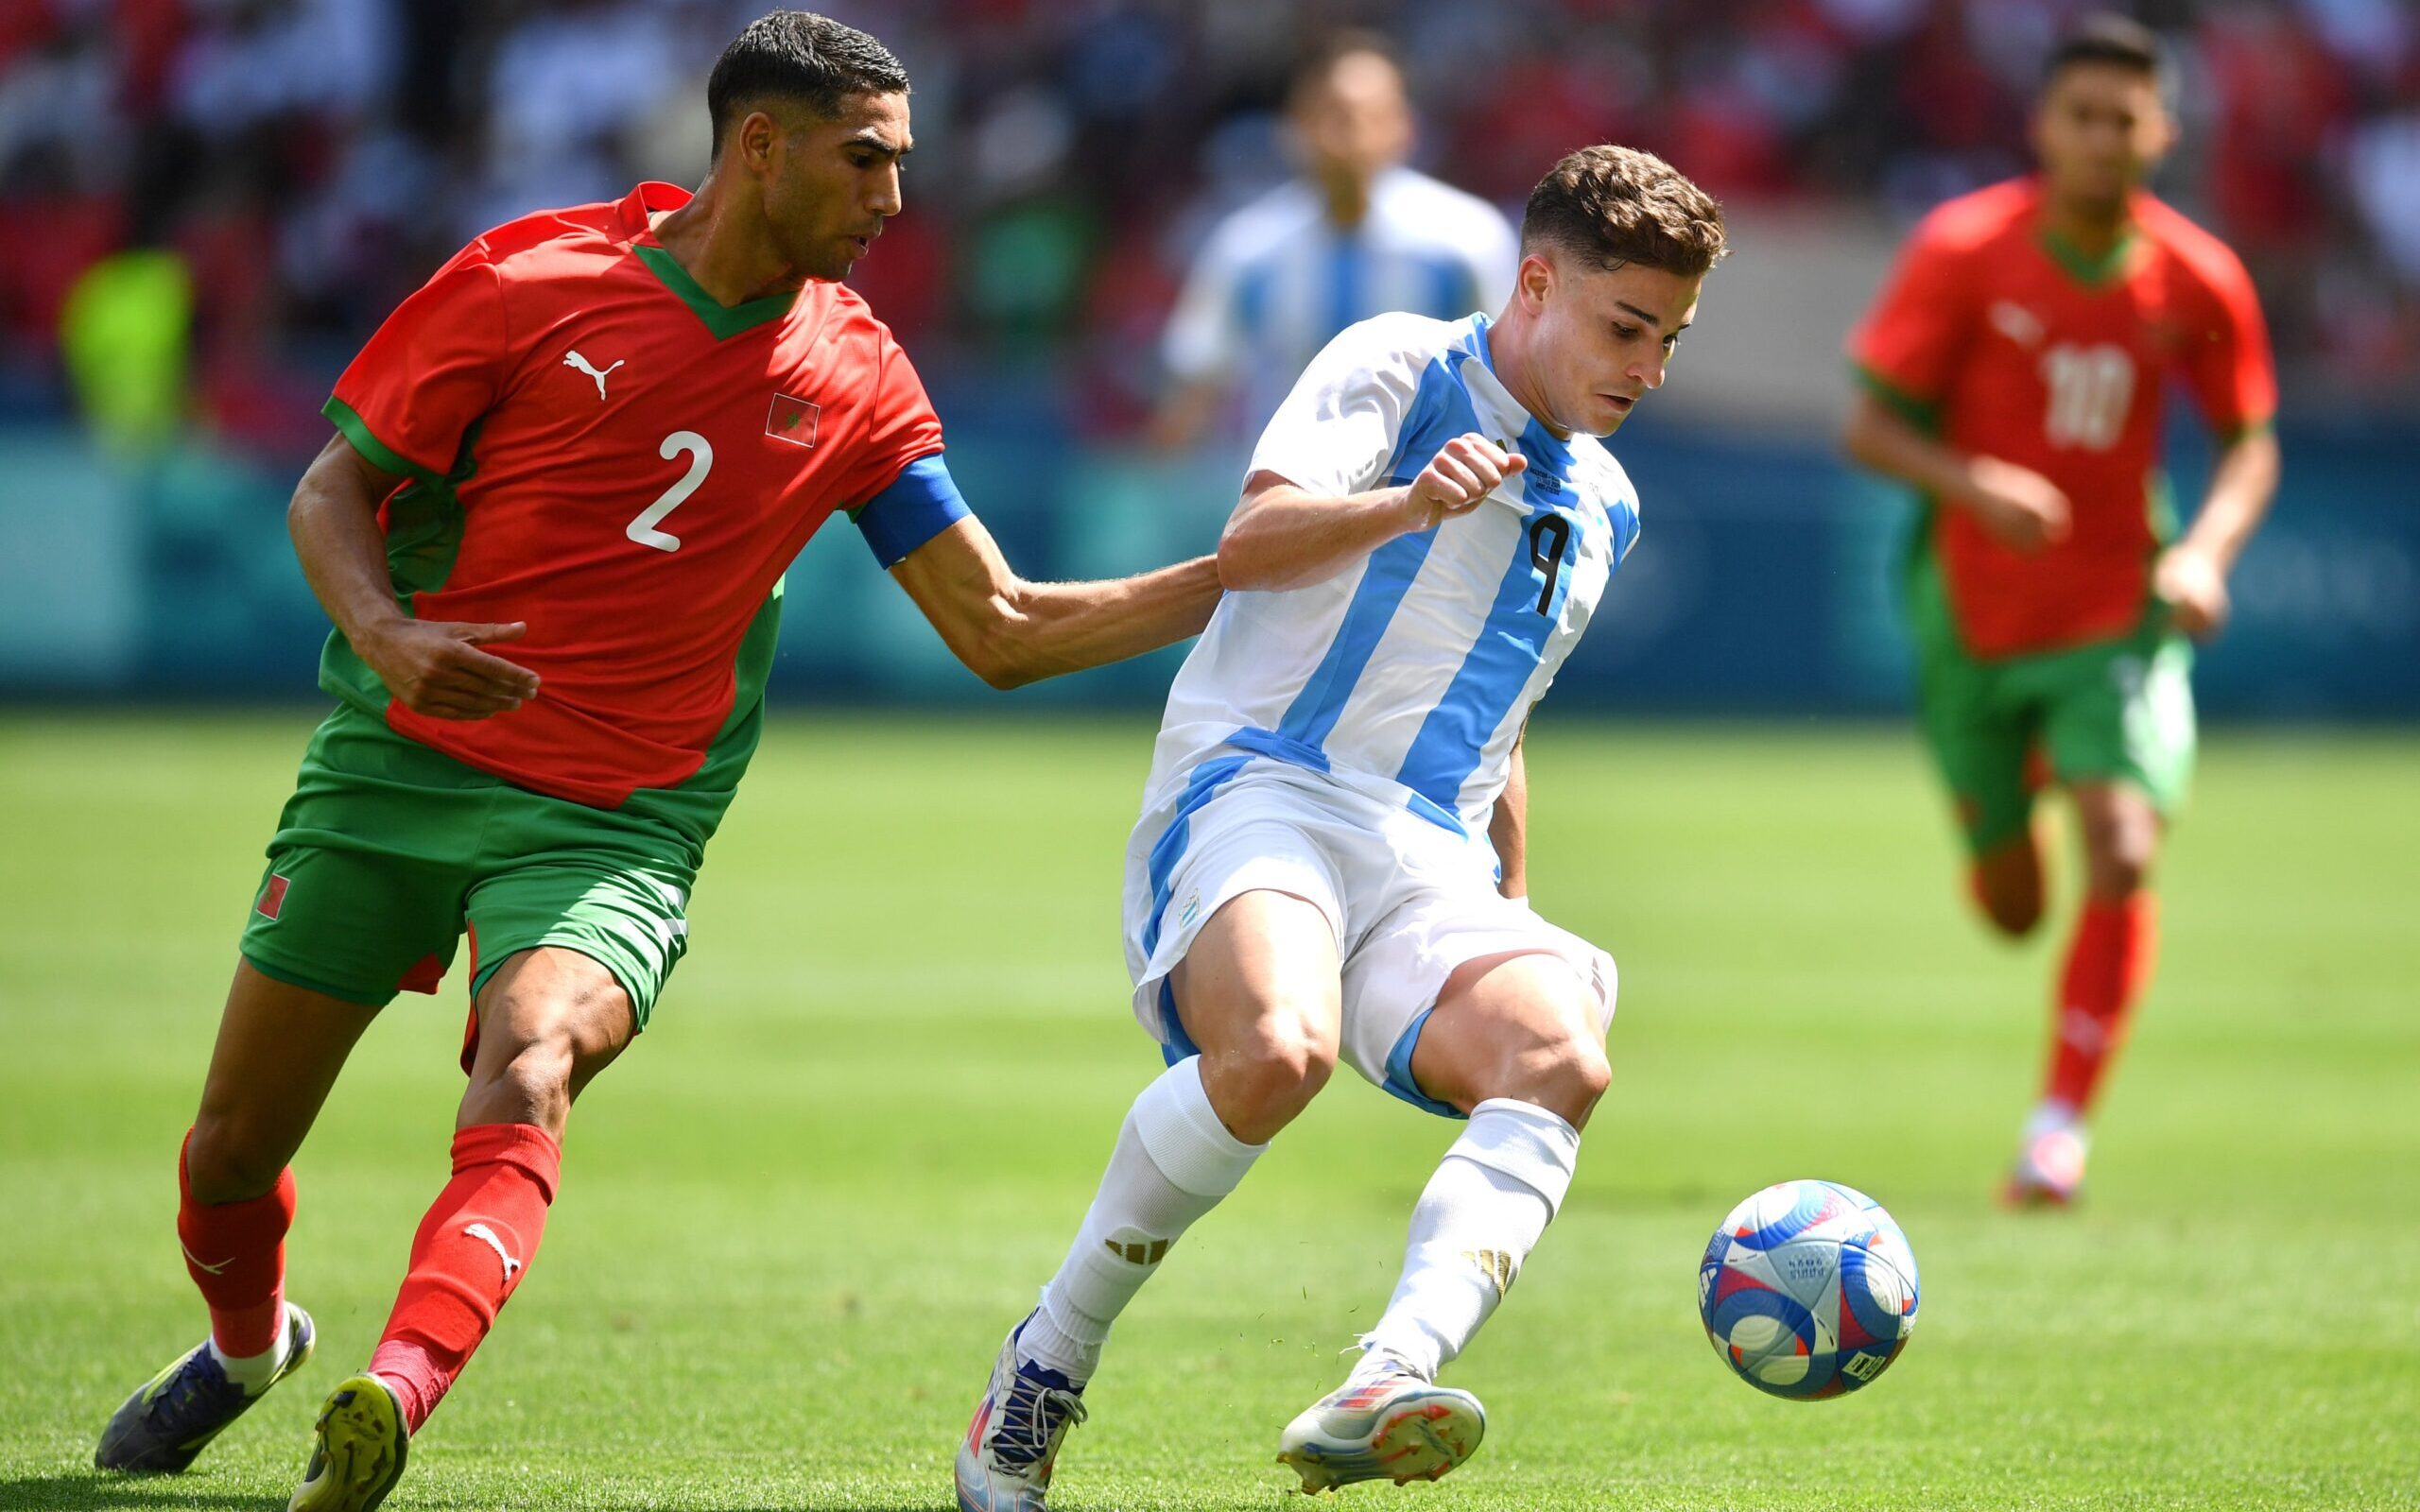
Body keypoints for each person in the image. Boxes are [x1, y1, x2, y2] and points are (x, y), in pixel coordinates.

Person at [90, 14, 1221, 1511]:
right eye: (866, 159)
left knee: (535, 1059)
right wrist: (384, 629)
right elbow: (331, 489)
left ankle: (395, 1392)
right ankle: (247, 1351)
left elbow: (1000, 627)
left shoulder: (861, 374)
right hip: (400, 766)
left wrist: (1245, 573)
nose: (894, 199)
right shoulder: (524, 280)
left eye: (905, 163)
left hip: (616, 820)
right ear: (761, 145)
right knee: (230, 1154)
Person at [955, 145, 1725, 1510]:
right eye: (1625, 326)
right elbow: (1248, 544)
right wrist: (1410, 499)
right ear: (1537, 283)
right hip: (1262, 782)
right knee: (1278, 1051)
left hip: (1426, 848)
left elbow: (1504, 713)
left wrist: (1517, 901)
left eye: (1668, 337)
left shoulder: (1606, 499)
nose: (1646, 366)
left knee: (1563, 1052)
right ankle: (1045, 1363)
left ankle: (1387, 1376)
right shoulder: (1399, 366)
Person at [1841, 14, 2279, 1206]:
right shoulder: (1963, 248)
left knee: (2124, 846)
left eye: (2122, 119)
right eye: (2079, 116)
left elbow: (2249, 447)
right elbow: (1867, 424)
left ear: (2160, 132)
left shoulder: (2197, 275)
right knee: (2012, 906)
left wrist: (2202, 553)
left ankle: (2054, 1131)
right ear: (2042, 125)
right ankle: (2009, 816)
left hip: (2113, 609)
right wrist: (1969, 480)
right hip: (1971, 617)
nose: (2100, 139)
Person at [1150, 31, 1518, 451]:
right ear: (1294, 128)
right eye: (1334, 116)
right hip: (1288, 499)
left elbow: (1512, 378)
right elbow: (1197, 383)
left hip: (1431, 497)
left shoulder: (1465, 239)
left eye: (1370, 117)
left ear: (1404, 127)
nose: (1351, 137)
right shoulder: (1249, 248)